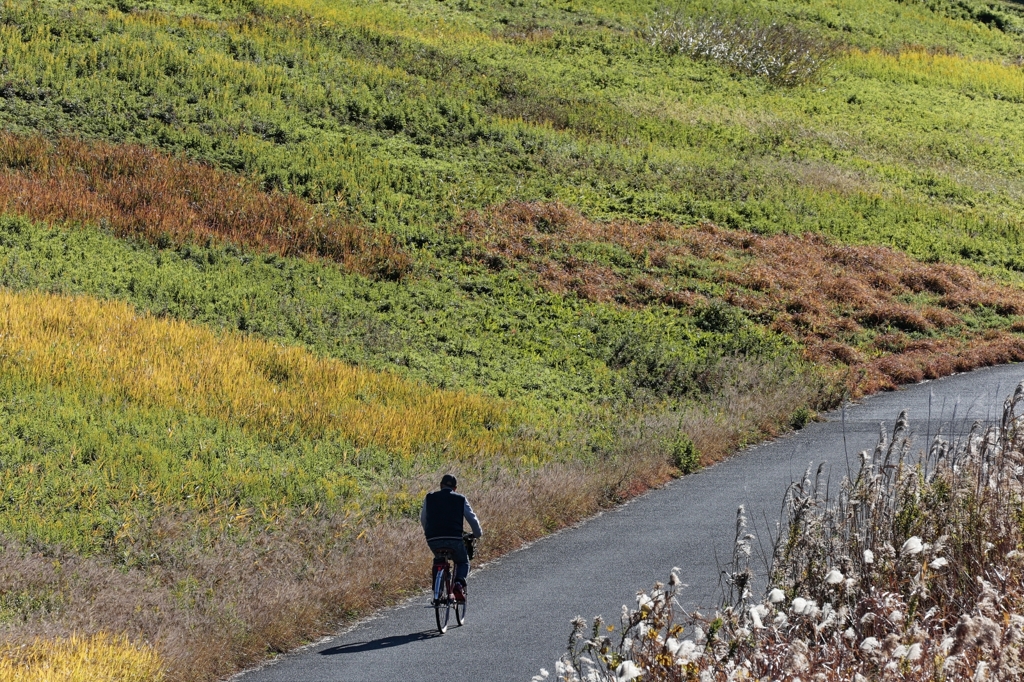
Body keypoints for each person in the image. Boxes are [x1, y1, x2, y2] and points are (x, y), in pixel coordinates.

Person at [421, 474, 482, 602]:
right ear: (455, 488)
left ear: (440, 485)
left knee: (439, 558)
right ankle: (458, 584)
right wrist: (477, 534)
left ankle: (437, 591)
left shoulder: (429, 497)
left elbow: (423, 519)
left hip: (433, 538)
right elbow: (472, 519)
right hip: (454, 538)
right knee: (462, 561)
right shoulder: (460, 499)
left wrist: (429, 532)